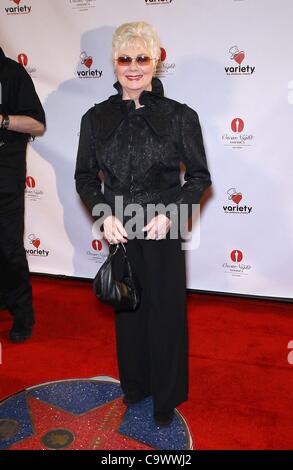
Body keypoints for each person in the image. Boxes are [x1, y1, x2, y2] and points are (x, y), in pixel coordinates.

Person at [75, 22, 211, 427]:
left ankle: (166, 397)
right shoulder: (95, 118)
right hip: (118, 225)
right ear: (114, 63)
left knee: (165, 312)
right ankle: (134, 386)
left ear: (156, 61)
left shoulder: (180, 116)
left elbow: (200, 178)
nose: (133, 67)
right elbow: (84, 178)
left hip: (163, 224)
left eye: (142, 58)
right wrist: (104, 215)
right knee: (127, 307)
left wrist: (171, 214)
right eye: (124, 58)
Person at [0, 47, 46, 342]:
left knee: (7, 245)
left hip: (4, 172)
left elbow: (38, 124)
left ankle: (21, 312)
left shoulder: (12, 73)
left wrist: (2, 120)